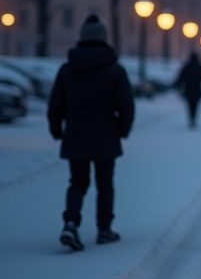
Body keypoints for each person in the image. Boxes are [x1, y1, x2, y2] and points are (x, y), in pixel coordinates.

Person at [48, 14, 135, 251]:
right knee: (104, 183)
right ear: (104, 38)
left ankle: (70, 221)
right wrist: (123, 130)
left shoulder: (67, 69)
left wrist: (56, 129)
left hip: (75, 134)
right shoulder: (115, 71)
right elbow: (126, 105)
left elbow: (56, 104)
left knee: (77, 182)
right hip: (106, 133)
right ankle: (104, 229)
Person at [175, 52, 201, 128]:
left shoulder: (186, 67)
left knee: (189, 105)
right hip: (197, 90)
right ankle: (194, 118)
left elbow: (180, 78)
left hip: (188, 90)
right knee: (196, 106)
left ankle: (191, 118)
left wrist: (177, 85)